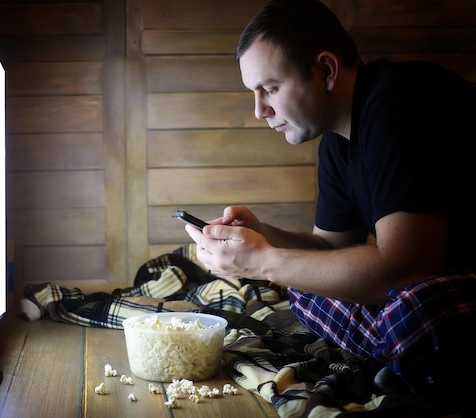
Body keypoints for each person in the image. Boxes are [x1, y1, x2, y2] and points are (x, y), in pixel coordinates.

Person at [184, 0, 476, 414]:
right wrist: (262, 236)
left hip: (448, 290)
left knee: (413, 313)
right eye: (254, 93)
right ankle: (400, 354)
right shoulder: (337, 141)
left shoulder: (398, 102)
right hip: (426, 284)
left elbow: (406, 266)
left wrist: (263, 263)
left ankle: (399, 349)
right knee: (306, 282)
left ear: (326, 69)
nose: (259, 110)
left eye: (269, 88)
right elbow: (329, 249)